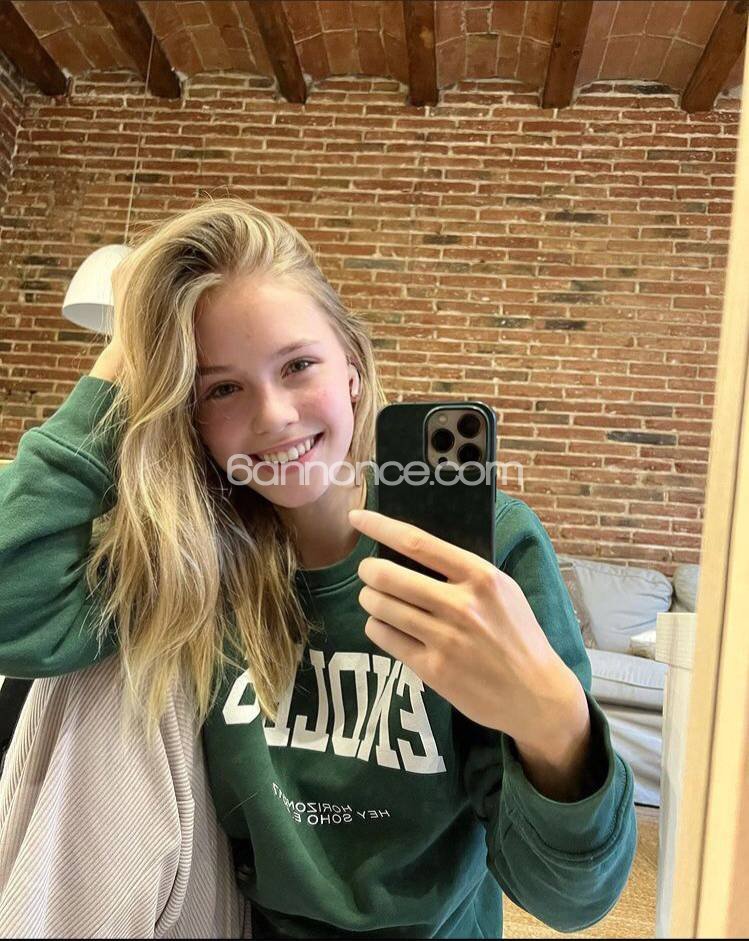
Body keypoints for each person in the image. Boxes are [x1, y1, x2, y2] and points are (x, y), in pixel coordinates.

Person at [0, 198, 637, 939]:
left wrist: (551, 721)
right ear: (188, 415)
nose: (273, 416)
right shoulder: (193, 554)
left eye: (298, 365)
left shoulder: (487, 546)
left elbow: (568, 898)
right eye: (221, 388)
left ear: (353, 371)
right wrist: (126, 356)